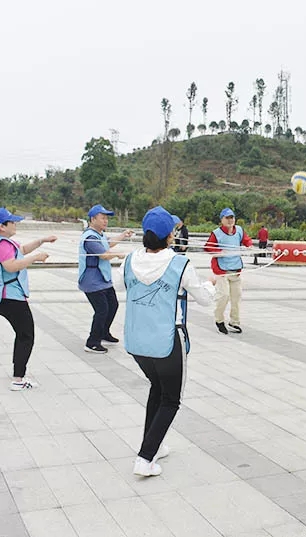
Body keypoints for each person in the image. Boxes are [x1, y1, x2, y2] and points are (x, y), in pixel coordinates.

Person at [124, 206, 215, 477]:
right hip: (166, 341)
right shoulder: (180, 263)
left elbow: (121, 284)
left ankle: (153, 445)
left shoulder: (129, 260)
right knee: (171, 400)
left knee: (157, 388)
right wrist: (210, 285)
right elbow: (204, 299)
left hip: (137, 342)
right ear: (170, 236)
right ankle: (145, 459)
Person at [0, 207, 57, 391]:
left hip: (3, 296)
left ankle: (18, 371)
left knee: (22, 334)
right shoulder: (2, 245)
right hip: (10, 297)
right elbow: (11, 266)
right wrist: (35, 258)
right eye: (12, 222)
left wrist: (41, 241)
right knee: (26, 335)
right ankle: (18, 379)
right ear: (2, 226)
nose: (15, 224)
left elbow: (21, 250)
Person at [79, 204, 133, 353]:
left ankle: (103, 332)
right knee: (102, 310)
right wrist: (118, 254)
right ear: (92, 219)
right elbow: (103, 254)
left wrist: (123, 235)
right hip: (92, 280)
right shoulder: (90, 237)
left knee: (113, 305)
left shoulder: (99, 235)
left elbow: (107, 244)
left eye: (106, 218)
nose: (105, 221)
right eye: (102, 218)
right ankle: (92, 342)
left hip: (103, 279)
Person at [204, 207, 253, 334]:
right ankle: (219, 320)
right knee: (224, 296)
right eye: (227, 218)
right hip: (222, 270)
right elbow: (208, 247)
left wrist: (249, 246)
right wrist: (220, 252)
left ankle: (234, 322)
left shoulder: (239, 230)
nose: (230, 220)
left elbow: (246, 240)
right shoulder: (216, 233)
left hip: (235, 269)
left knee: (236, 297)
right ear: (222, 220)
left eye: (232, 217)